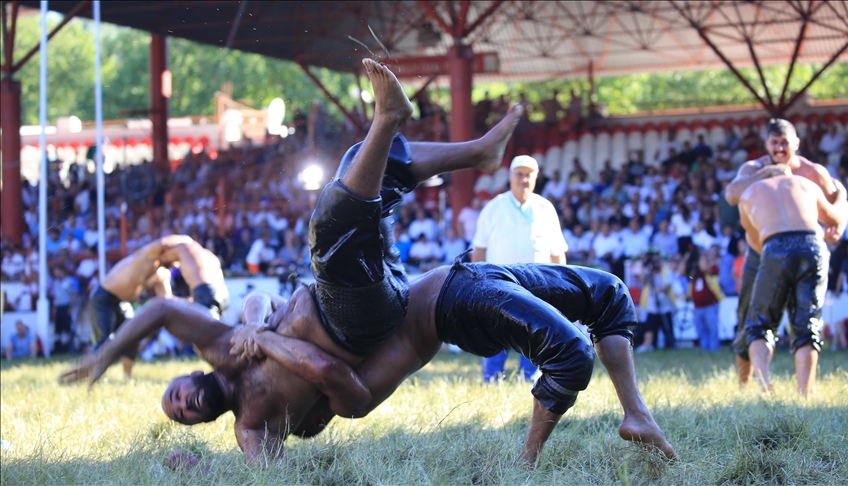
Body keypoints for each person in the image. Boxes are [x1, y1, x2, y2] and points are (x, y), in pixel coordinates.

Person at [61, 59, 676, 469]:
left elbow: (163, 309)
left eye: (169, 398)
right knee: (332, 221)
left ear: (178, 381)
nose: (177, 404)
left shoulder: (224, 345)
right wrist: (198, 460)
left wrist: (104, 354)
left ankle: (477, 153)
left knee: (361, 166)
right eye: (179, 415)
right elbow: (329, 405)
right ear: (198, 422)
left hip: (398, 282)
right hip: (361, 317)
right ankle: (393, 119)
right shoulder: (256, 422)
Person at [724, 118, 848, 390]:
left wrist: (838, 228)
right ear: (767, 144)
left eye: (784, 143)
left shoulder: (812, 172)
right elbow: (731, 194)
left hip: (789, 245)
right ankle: (744, 385)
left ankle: (796, 388)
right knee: (749, 315)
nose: (779, 148)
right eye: (774, 143)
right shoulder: (753, 167)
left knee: (798, 317)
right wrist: (764, 174)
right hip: (763, 251)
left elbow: (838, 204)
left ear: (796, 144)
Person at [472, 154, 568, 382]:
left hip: (537, 286)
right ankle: (492, 380)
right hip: (499, 285)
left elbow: (557, 253)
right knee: (497, 333)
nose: (523, 179)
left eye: (529, 175)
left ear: (536, 178)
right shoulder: (494, 207)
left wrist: (561, 290)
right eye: (519, 174)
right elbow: (479, 249)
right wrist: (478, 284)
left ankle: (530, 380)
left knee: (534, 335)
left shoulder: (545, 208)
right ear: (509, 176)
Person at [88, 235, 187, 377]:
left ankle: (127, 376)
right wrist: (187, 241)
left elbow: (167, 300)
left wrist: (185, 303)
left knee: (132, 337)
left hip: (124, 302)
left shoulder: (163, 274)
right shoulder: (146, 256)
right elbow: (164, 241)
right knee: (105, 341)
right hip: (104, 297)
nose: (175, 262)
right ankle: (91, 376)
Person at [687, 251, 723, 352]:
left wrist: (705, 263)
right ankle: (704, 348)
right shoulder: (695, 272)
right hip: (697, 306)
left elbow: (710, 271)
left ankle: (714, 349)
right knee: (701, 329)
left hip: (710, 304)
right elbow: (689, 278)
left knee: (712, 328)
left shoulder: (712, 268)